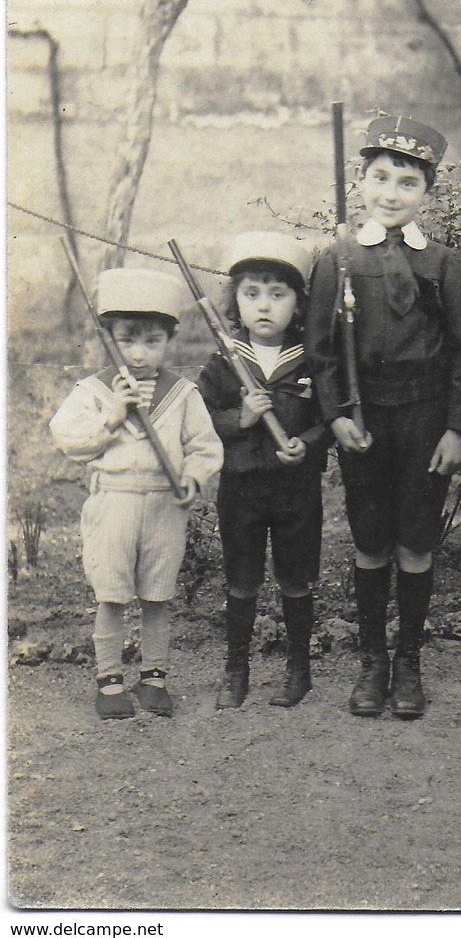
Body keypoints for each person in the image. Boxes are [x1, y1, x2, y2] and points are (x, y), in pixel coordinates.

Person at [306, 115, 461, 719]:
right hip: (365, 420)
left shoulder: (445, 264)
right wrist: (335, 416)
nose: (391, 194)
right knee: (372, 541)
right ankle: (373, 662)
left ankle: (409, 663)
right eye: (380, 178)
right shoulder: (339, 258)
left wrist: (458, 427)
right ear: (360, 183)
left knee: (416, 541)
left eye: (408, 183)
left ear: (427, 193)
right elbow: (321, 350)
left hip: (426, 419)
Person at [49, 267, 223, 720]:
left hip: (164, 504)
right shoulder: (94, 391)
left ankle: (154, 677)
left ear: (170, 341)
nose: (140, 353)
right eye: (127, 340)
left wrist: (193, 477)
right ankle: (109, 681)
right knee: (111, 592)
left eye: (153, 341)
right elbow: (68, 437)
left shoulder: (181, 394)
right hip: (114, 503)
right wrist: (112, 419)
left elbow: (204, 447)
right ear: (108, 339)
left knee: (157, 594)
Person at [198, 232, 331, 711]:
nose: (264, 306)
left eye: (278, 294)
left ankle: (299, 668)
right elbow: (204, 420)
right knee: (242, 579)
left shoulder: (313, 362)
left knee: (296, 578)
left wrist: (308, 445)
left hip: (296, 489)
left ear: (298, 304)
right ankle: (237, 669)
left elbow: (328, 421)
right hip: (242, 488)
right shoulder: (223, 363)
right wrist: (243, 419)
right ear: (234, 300)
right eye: (252, 293)